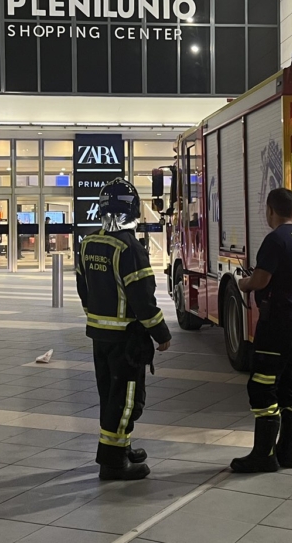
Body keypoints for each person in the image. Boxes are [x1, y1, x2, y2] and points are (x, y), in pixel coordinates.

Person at [76, 178, 171, 481]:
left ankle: (122, 446)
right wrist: (161, 333)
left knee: (110, 393)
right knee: (128, 398)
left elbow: (83, 288)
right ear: (133, 209)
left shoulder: (89, 243)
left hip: (99, 334)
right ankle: (113, 462)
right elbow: (142, 298)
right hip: (126, 338)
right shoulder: (129, 248)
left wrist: (96, 315)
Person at [230, 187, 292, 473]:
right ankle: (288, 453)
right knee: (289, 383)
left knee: (262, 385)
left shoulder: (275, 240)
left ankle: (263, 456)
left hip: (275, 320)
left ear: (270, 210)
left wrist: (244, 283)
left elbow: (262, 280)